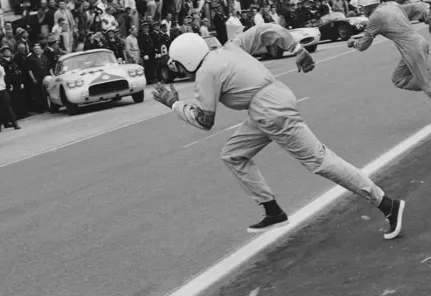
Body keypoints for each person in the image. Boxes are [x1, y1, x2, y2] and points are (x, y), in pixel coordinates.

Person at [151, 33, 406, 239]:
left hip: (268, 112)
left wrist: (174, 104)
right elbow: (265, 31)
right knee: (233, 154)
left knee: (320, 161)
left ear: (186, 60)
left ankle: (386, 204)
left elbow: (204, 120)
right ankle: (272, 211)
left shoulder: (206, 73)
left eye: (179, 65)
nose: (181, 72)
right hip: (271, 101)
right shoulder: (230, 47)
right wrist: (296, 48)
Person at [347, 0, 431, 119]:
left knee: (429, 86)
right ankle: (429, 90)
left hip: (412, 49)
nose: (360, 11)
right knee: (398, 78)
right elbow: (417, 8)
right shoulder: (391, 7)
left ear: (367, 6)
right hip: (415, 45)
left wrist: (353, 43)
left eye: (361, 8)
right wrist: (430, 20)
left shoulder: (375, 18)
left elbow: (363, 45)